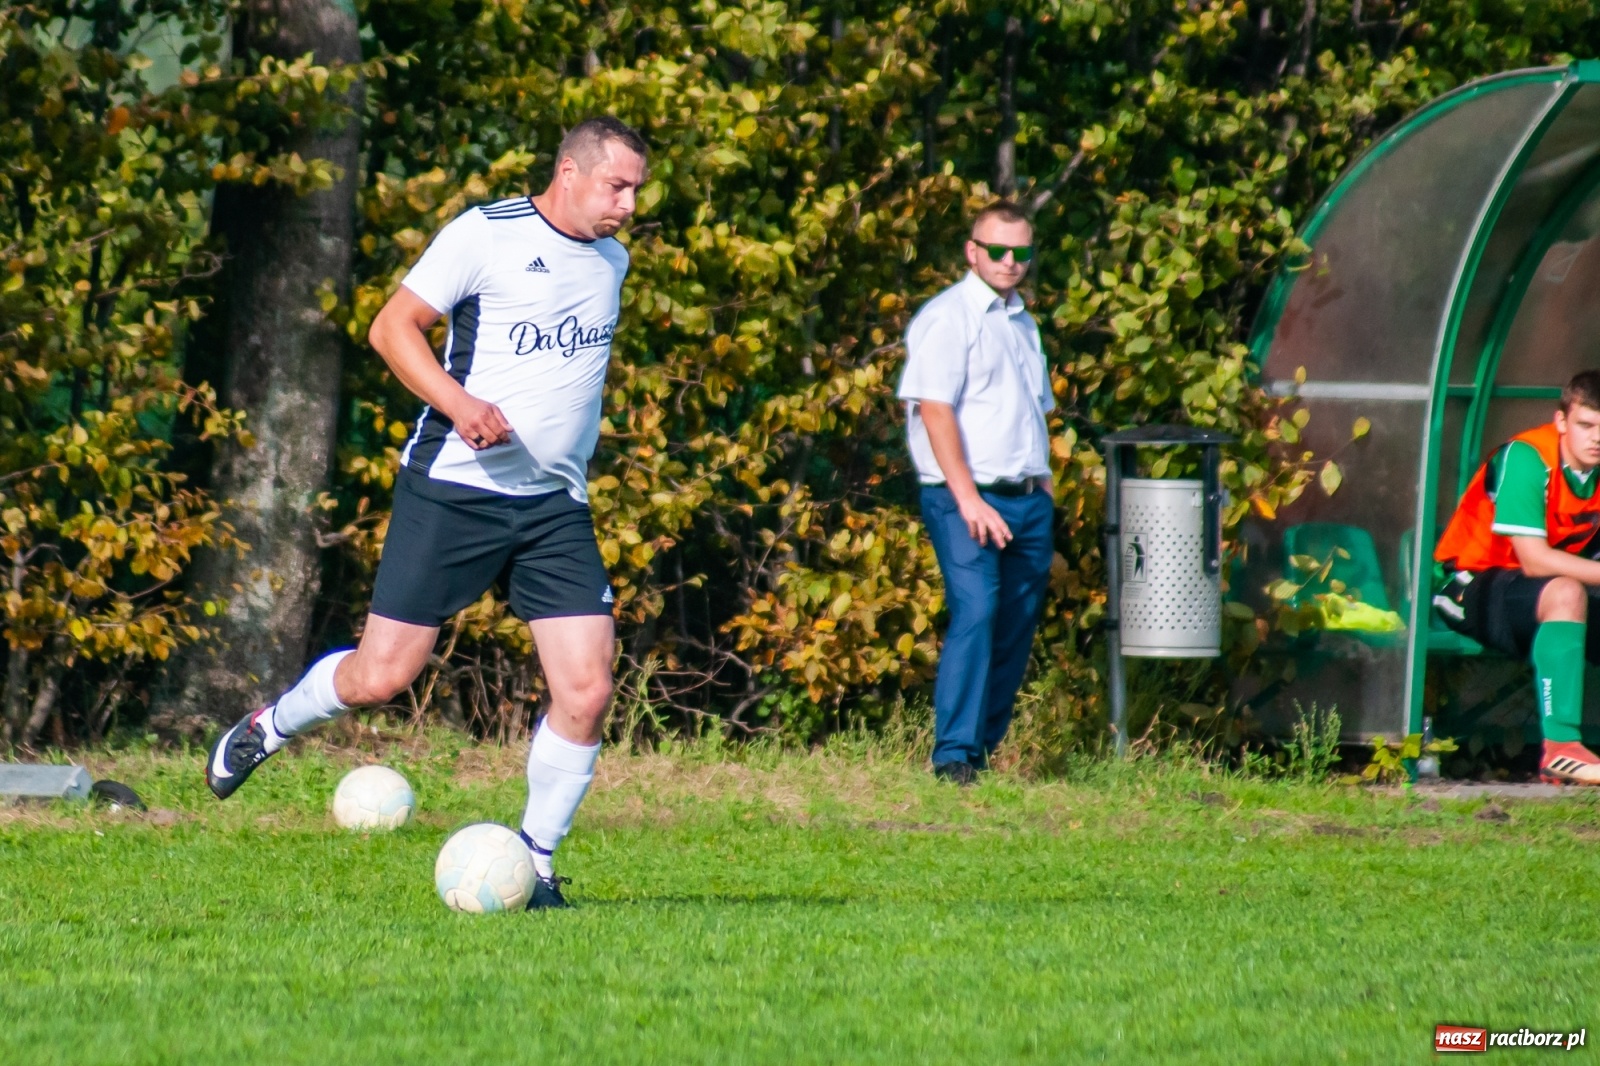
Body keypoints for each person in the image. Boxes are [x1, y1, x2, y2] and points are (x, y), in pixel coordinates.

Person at [205, 116, 649, 907]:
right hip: (453, 492)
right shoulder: (485, 233)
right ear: (570, 172)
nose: (628, 205)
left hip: (552, 508)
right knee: (381, 677)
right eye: (618, 186)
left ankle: (538, 867)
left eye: (636, 190)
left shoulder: (611, 261)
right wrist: (460, 402)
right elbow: (390, 327)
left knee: (587, 691)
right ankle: (271, 725)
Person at [896, 201, 1056, 785]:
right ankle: (953, 755)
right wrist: (968, 499)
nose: (1011, 262)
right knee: (977, 611)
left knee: (1016, 620)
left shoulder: (1023, 322)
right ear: (972, 251)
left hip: (1026, 498)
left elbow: (1035, 412)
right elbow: (934, 411)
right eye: (998, 250)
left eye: (1022, 252)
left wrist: (1044, 488)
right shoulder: (948, 317)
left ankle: (983, 750)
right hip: (964, 496)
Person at [1434, 370, 1600, 785]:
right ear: (1561, 421)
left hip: (1543, 596)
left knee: (1569, 592)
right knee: (1566, 591)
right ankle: (1561, 750)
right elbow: (1534, 562)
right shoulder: (1528, 457)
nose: (1596, 437)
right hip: (1470, 587)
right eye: (1586, 425)